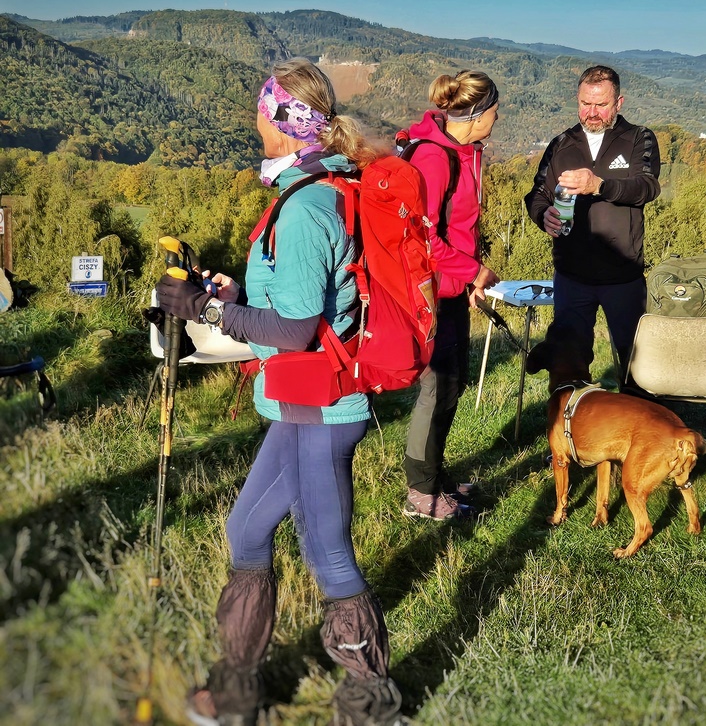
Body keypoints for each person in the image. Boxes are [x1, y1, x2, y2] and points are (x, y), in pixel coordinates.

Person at [155, 58, 406, 725]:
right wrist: (234, 296)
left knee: (327, 553)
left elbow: (295, 332)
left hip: (320, 409)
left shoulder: (303, 210)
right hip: (303, 404)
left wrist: (204, 313)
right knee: (247, 529)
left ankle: (369, 707)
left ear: (281, 122)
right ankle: (236, 694)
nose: (253, 119)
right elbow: (299, 301)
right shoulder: (318, 188)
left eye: (260, 110)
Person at [400, 70, 501, 520]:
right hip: (431, 294)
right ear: (478, 116)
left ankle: (435, 475)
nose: (499, 117)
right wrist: (474, 271)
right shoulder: (436, 159)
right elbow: (424, 239)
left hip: (452, 288)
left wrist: (467, 281)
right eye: (495, 110)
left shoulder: (463, 150)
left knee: (452, 385)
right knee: (436, 388)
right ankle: (420, 493)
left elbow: (458, 228)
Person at [524, 65, 660, 377]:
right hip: (572, 277)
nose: (592, 113)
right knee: (568, 365)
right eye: (586, 103)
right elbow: (537, 192)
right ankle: (573, 422)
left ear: (619, 103)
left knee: (637, 367)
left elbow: (647, 187)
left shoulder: (639, 138)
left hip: (623, 277)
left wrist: (599, 185)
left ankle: (641, 420)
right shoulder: (561, 143)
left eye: (601, 104)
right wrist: (542, 214)